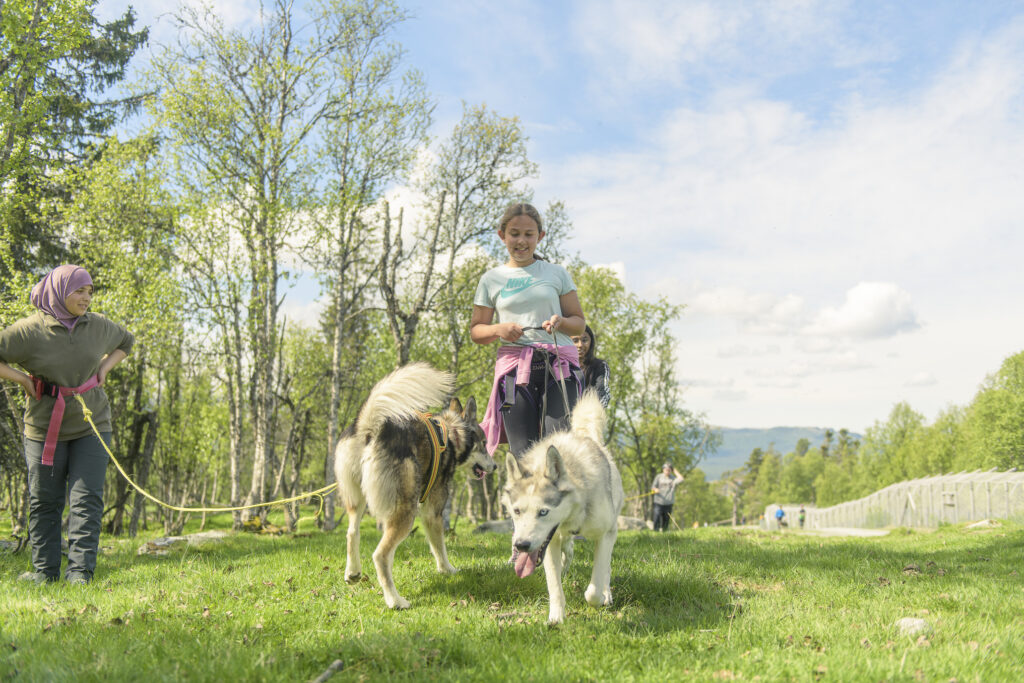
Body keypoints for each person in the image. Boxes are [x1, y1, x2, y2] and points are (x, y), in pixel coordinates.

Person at [0, 265, 133, 584]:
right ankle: (44, 572)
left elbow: (126, 342)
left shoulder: (98, 325)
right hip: (45, 429)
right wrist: (19, 378)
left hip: (92, 425)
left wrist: (104, 369)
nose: (86, 297)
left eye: (90, 291)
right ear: (59, 291)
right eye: (79, 291)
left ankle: (80, 574)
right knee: (45, 499)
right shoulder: (30, 331)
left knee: (87, 499)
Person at [471, 203, 586, 458]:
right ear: (502, 235)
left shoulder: (556, 274)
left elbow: (579, 322)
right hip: (515, 370)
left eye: (528, 234)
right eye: (514, 233)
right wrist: (499, 329)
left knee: (557, 448)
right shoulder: (491, 279)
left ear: (540, 236)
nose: (521, 241)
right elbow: (477, 331)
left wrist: (560, 323)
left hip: (559, 367)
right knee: (522, 452)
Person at [572, 324, 610, 408]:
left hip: (590, 416)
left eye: (584, 340)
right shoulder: (560, 366)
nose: (580, 345)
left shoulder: (600, 366)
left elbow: (603, 395)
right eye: (575, 340)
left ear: (591, 342)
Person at [651, 462, 682, 532]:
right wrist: (655, 489)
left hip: (668, 503)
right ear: (663, 470)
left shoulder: (673, 479)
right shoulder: (658, 477)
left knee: (666, 520)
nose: (667, 471)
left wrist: (674, 470)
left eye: (669, 470)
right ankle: (655, 532)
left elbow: (681, 478)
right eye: (666, 469)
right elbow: (653, 487)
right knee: (656, 518)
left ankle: (664, 534)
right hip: (658, 502)